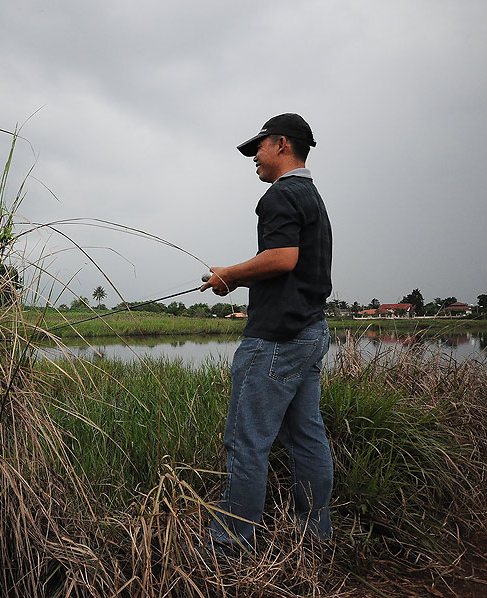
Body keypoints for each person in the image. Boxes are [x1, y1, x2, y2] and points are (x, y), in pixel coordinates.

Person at [200, 113, 334, 553]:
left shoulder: (280, 195)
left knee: (245, 441)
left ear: (281, 145)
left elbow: (281, 258)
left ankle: (228, 546)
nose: (253, 157)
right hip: (310, 332)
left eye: (258, 147)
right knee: (306, 436)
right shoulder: (312, 196)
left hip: (275, 339)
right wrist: (236, 276)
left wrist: (230, 276)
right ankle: (313, 535)